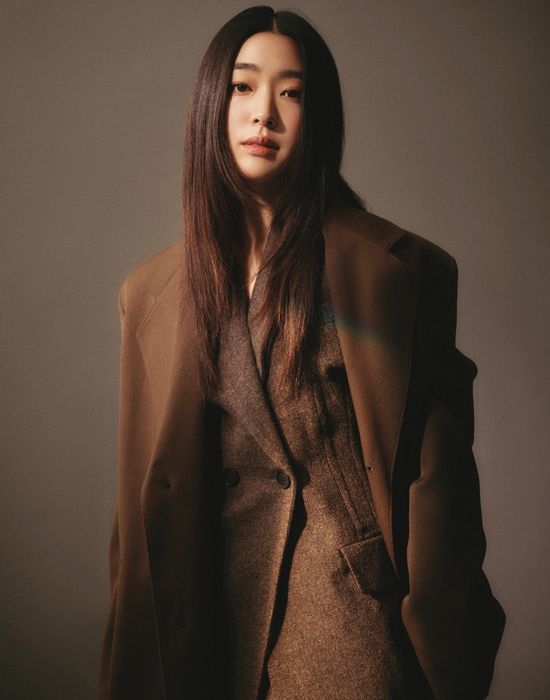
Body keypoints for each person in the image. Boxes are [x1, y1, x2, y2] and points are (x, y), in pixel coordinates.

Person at [99, 6, 505, 699]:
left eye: (292, 92)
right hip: (209, 619)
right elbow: (141, 506)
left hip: (350, 618)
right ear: (211, 104)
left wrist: (452, 638)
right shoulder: (151, 293)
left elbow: (440, 481)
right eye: (243, 87)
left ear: (319, 118)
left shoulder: (394, 271)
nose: (265, 113)